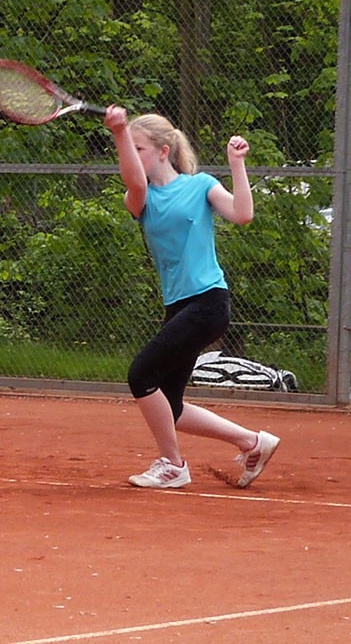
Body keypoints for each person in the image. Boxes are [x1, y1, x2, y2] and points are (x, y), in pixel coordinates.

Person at [103, 106, 279, 489]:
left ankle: (172, 463)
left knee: (141, 375)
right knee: (170, 404)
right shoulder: (142, 199)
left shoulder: (200, 186)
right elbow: (133, 180)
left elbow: (242, 214)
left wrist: (236, 164)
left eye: (139, 148)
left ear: (164, 151)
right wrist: (120, 134)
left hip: (208, 301)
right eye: (130, 148)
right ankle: (252, 442)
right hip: (179, 306)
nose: (132, 154)